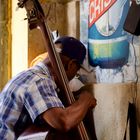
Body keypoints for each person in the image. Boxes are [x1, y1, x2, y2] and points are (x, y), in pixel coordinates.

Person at [0, 36, 97, 140]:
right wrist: (85, 100)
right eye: (76, 71)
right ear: (71, 65)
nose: (74, 75)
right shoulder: (39, 81)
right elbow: (63, 121)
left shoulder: (26, 75)